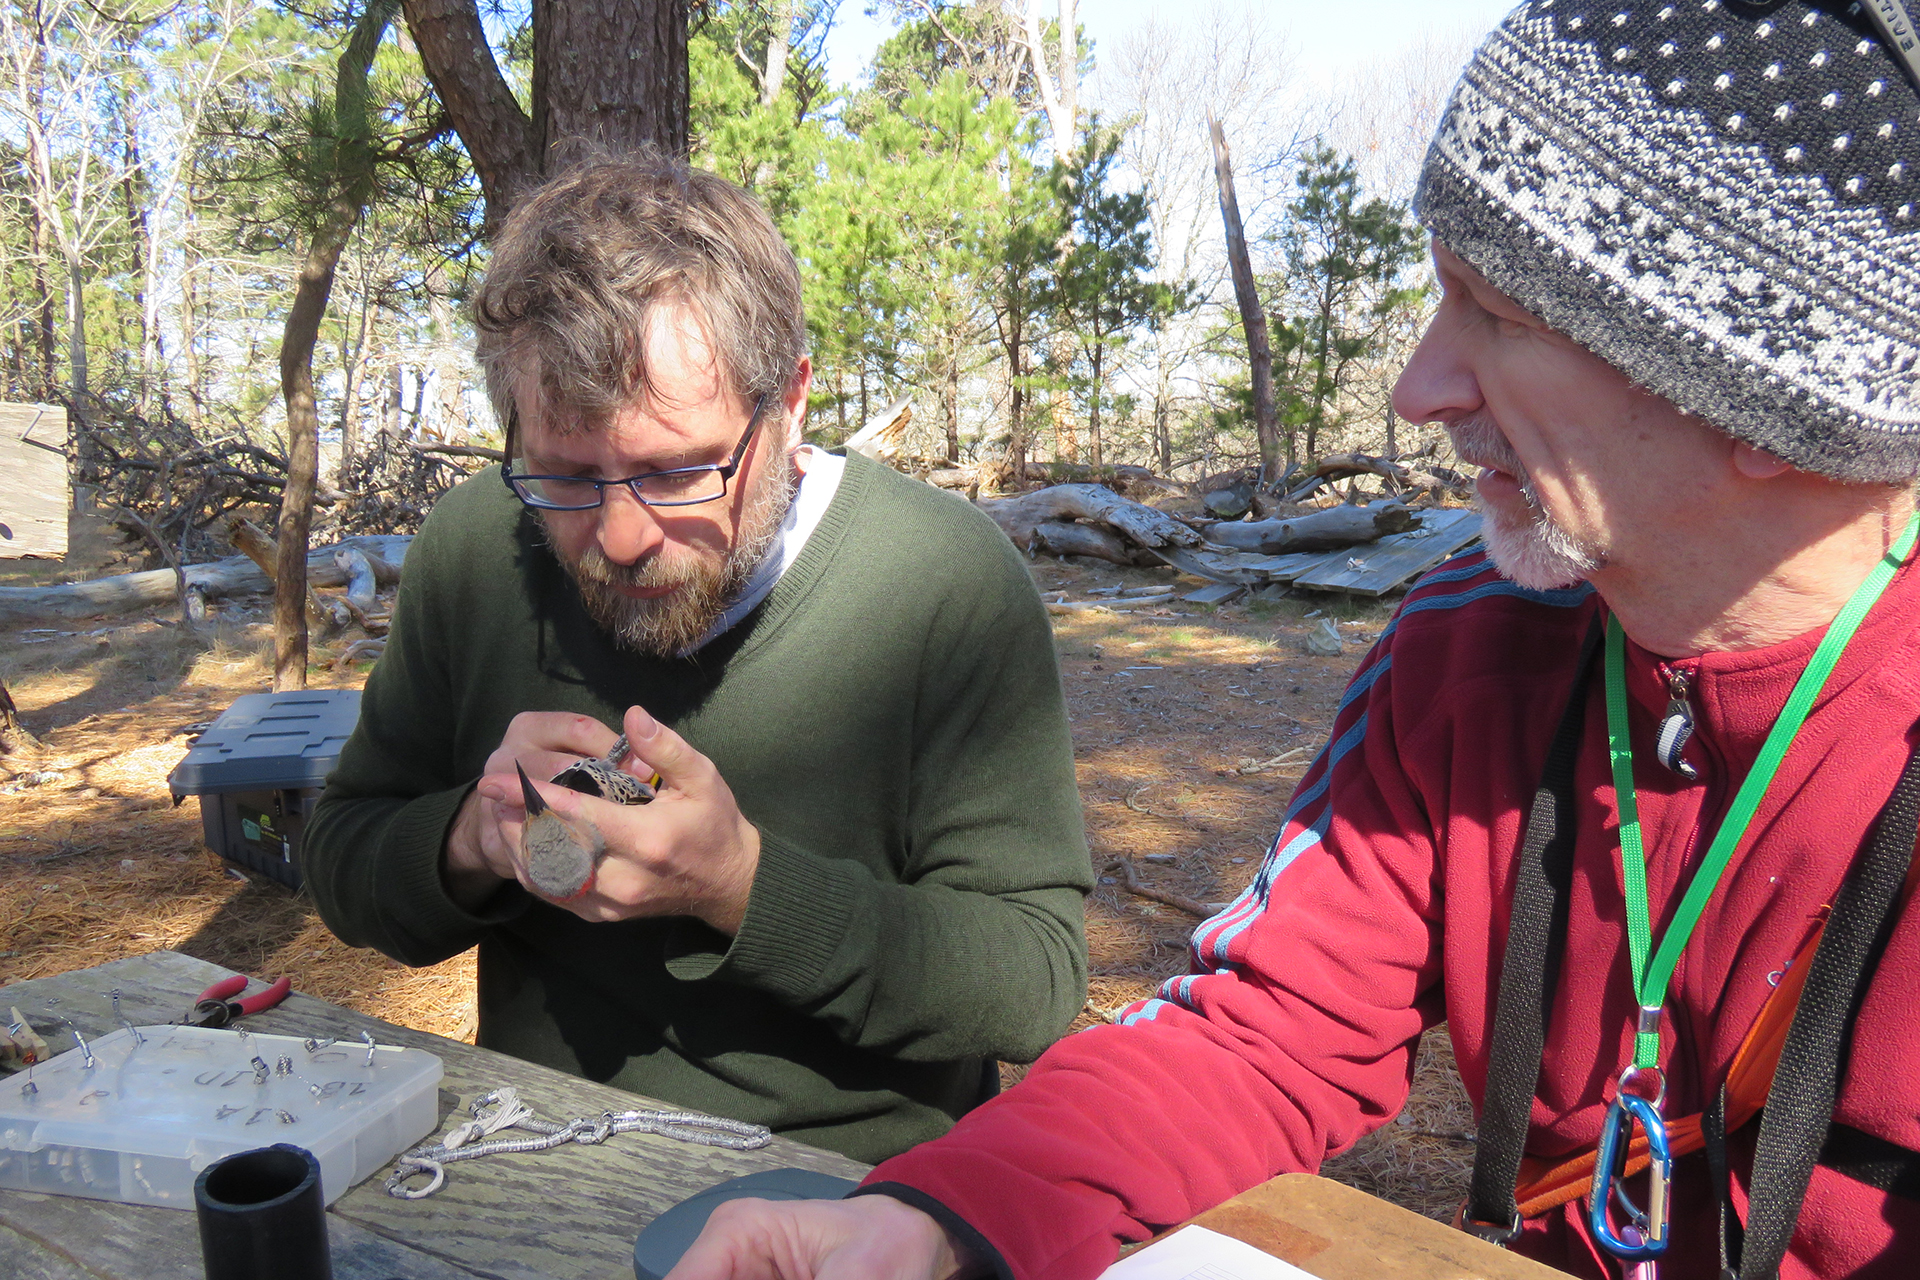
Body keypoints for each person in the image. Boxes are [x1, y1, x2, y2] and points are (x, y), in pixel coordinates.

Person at [666, 2, 1920, 1275]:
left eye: (1506, 318)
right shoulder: (1469, 652)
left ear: (1774, 406)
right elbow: (1266, 1031)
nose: (1419, 387)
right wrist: (933, 1222)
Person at [301, 152, 1092, 1165]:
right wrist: (472, 837)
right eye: (568, 475)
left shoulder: (942, 581)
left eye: (677, 470)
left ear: (793, 400)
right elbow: (344, 853)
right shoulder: (475, 548)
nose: (622, 535)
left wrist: (742, 884)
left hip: (850, 1190)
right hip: (531, 1148)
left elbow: (1031, 980)